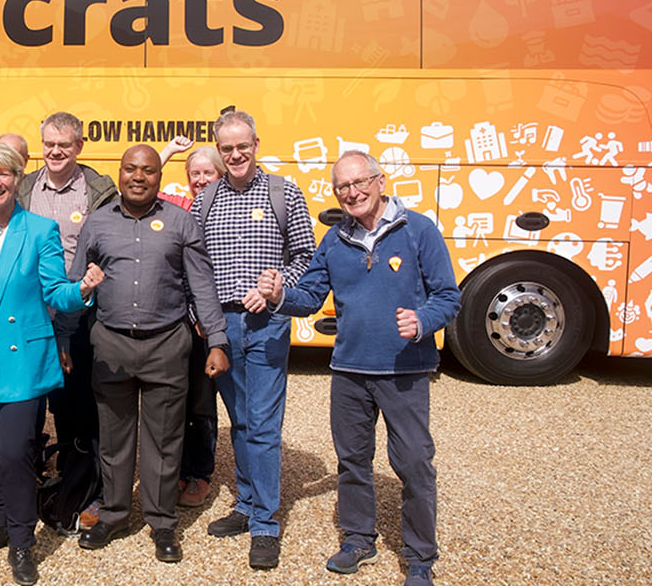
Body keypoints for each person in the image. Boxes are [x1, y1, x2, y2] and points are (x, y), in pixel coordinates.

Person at [252, 151, 458, 586]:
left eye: (359, 182)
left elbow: (448, 297)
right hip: (348, 368)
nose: (352, 193)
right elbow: (309, 295)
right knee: (352, 461)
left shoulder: (418, 230)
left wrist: (422, 321)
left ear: (380, 181)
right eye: (342, 187)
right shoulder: (334, 238)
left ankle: (420, 558)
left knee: (414, 463)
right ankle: (358, 540)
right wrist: (277, 298)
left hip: (404, 370)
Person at [0, 143, 104, 585]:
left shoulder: (40, 229)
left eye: (5, 175)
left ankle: (21, 540)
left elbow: (56, 292)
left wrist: (84, 289)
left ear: (18, 180)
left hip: (19, 353)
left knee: (16, 454)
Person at [70, 145, 229, 563]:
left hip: (166, 346)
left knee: (164, 439)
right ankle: (116, 513)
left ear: (159, 176)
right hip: (112, 347)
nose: (138, 177)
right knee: (114, 438)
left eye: (148, 170)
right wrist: (62, 336)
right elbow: (74, 283)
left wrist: (217, 340)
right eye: (130, 169)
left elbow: (202, 285)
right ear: (119, 174)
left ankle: (161, 522)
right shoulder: (98, 222)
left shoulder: (180, 221)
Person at [192, 110, 316, 570]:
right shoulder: (205, 200)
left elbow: (306, 255)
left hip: (266, 325)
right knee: (240, 419)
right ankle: (245, 504)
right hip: (222, 327)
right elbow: (195, 267)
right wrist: (200, 318)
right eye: (227, 148)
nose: (236, 154)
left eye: (242, 146)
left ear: (256, 144)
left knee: (262, 424)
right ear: (219, 152)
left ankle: (265, 523)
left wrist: (278, 283)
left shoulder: (284, 193)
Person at [16, 111, 117, 530]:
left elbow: (108, 249)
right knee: (34, 405)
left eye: (65, 145)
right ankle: (40, 483)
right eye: (49, 144)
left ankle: (88, 490)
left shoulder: (98, 190)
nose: (56, 152)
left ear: (78, 146)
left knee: (81, 408)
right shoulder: (23, 187)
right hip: (29, 317)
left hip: (79, 318)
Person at [159, 142, 229, 507]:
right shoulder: (181, 207)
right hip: (179, 323)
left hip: (210, 324)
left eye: (208, 172)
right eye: (195, 174)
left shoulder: (227, 209)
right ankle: (175, 471)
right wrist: (167, 152)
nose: (201, 180)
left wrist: (208, 318)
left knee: (202, 404)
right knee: (176, 401)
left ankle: (198, 473)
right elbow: (144, 189)